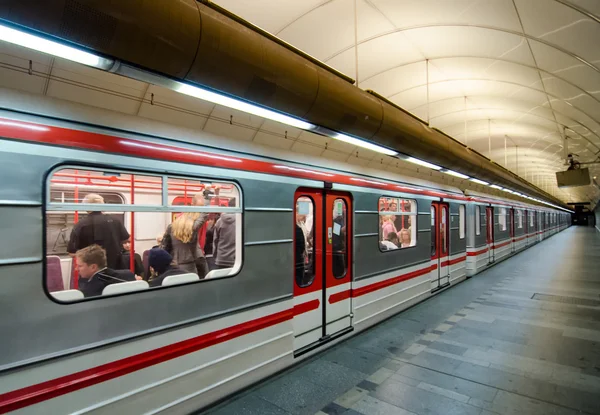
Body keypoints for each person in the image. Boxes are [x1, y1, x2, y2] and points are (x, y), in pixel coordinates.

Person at [67, 193, 130, 270]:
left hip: (93, 270)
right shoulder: (116, 220)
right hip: (117, 268)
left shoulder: (81, 225)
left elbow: (72, 252)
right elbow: (126, 240)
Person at [161, 192, 209, 277]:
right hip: (190, 264)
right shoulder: (193, 227)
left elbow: (164, 246)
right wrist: (207, 195)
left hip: (174, 265)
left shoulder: (171, 227)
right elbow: (205, 213)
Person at [213, 201, 236, 270]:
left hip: (221, 258)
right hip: (235, 259)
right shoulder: (241, 220)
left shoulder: (219, 221)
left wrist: (215, 256)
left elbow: (215, 240)